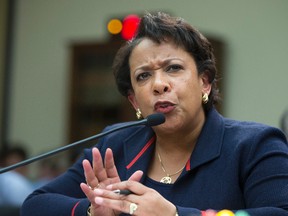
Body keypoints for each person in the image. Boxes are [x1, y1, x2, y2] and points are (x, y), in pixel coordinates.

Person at [21, 12, 288, 216]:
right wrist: (98, 209)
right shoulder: (115, 144)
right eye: (144, 75)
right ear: (134, 99)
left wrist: (175, 215)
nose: (159, 84)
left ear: (204, 82)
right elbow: (34, 205)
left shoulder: (256, 145)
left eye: (173, 68)